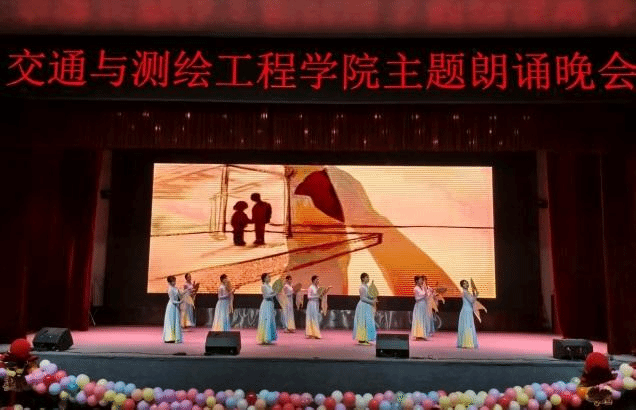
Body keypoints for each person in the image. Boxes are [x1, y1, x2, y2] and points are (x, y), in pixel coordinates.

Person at [353, 272, 377, 345]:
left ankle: (365, 338)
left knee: (367, 321)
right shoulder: (362, 287)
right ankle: (362, 339)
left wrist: (373, 298)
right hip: (363, 306)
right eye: (367, 277)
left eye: (368, 277)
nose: (368, 278)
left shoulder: (366, 286)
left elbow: (367, 296)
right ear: (363, 278)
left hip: (367, 306)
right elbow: (362, 298)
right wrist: (372, 302)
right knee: (363, 322)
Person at [256, 273, 278, 344]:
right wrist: (275, 293)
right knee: (266, 320)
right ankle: (265, 338)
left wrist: (276, 292)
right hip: (266, 304)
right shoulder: (264, 286)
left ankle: (269, 338)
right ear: (265, 278)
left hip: (270, 304)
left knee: (270, 320)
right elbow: (266, 296)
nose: (270, 278)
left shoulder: (269, 286)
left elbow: (271, 294)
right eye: (268, 277)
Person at [457, 279, 479, 348]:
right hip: (466, 311)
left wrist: (474, 294)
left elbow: (472, 300)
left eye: (466, 283)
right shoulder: (465, 292)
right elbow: (472, 300)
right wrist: (476, 295)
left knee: (468, 326)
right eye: (464, 284)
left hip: (468, 310)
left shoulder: (467, 292)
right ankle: (467, 343)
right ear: (462, 286)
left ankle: (466, 342)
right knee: (467, 326)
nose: (466, 284)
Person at [412, 275, 433, 340]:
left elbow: (426, 296)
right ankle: (418, 335)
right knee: (419, 319)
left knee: (423, 319)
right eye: (420, 280)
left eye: (422, 280)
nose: (422, 281)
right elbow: (417, 298)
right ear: (416, 281)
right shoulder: (416, 288)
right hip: (419, 305)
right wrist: (425, 293)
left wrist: (429, 292)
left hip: (424, 305)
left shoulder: (423, 288)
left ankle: (423, 335)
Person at [162, 276, 183, 343]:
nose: (174, 282)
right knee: (171, 321)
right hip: (172, 306)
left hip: (175, 306)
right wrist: (180, 302)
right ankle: (169, 338)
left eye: (174, 281)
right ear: (169, 282)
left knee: (175, 321)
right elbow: (172, 301)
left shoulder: (175, 288)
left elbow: (179, 295)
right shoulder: (170, 289)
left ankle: (174, 337)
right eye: (173, 281)